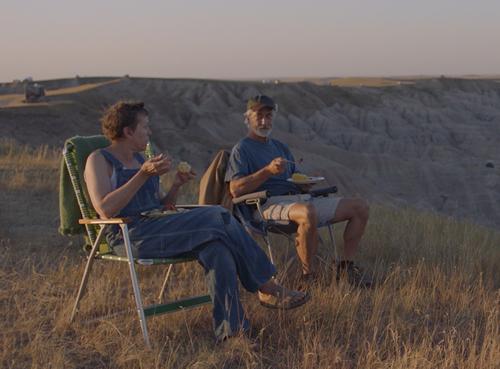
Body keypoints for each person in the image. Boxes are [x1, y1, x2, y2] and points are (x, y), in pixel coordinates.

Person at [83, 101, 309, 342]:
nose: (149, 132)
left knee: (218, 250)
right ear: (128, 131)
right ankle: (267, 286)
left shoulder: (141, 161)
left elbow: (161, 204)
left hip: (160, 226)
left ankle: (232, 332)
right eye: (145, 127)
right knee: (218, 214)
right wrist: (143, 175)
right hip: (131, 234)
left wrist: (177, 184)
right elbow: (105, 209)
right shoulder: (99, 160)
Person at [225, 95, 372, 288]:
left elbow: (294, 177)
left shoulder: (280, 147)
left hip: (299, 199)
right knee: (307, 211)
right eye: (259, 116)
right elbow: (235, 189)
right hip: (266, 205)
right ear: (248, 118)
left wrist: (305, 183)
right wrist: (267, 171)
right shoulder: (241, 149)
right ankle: (308, 278)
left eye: (268, 116)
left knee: (360, 207)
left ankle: (345, 269)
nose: (264, 121)